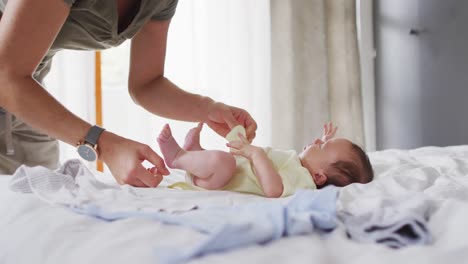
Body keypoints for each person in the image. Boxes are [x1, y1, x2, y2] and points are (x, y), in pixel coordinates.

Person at [0, 0, 257, 187]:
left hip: (25, 99)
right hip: (13, 85)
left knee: (36, 213)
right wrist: (104, 144)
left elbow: (147, 83)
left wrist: (208, 109)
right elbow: (6, 76)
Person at [156, 122, 374, 198]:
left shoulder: (303, 181)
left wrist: (255, 154)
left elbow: (273, 190)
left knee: (224, 163)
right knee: (224, 161)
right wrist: (324, 142)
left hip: (218, 181)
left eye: (323, 145)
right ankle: (196, 153)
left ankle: (178, 158)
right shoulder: (305, 166)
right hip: (226, 174)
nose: (317, 140)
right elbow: (324, 159)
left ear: (318, 176)